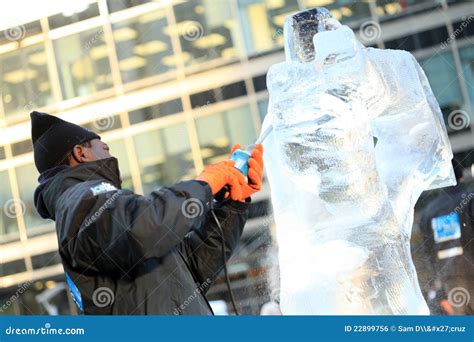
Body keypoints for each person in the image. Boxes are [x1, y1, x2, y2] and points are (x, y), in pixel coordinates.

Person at [30, 111, 264, 315]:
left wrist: (233, 204)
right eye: (104, 147)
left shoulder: (88, 204)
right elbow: (141, 228)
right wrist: (204, 184)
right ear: (82, 153)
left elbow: (190, 272)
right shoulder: (82, 198)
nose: (111, 155)